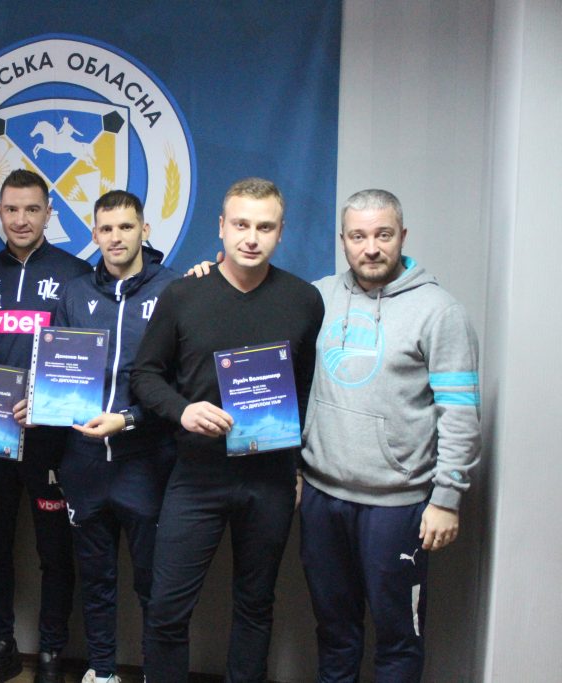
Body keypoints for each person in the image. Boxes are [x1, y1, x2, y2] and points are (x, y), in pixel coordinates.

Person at [130, 178, 324, 683]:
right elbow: (144, 375)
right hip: (197, 475)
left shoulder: (304, 300)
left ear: (281, 231)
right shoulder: (183, 295)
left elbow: (304, 387)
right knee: (166, 609)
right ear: (221, 226)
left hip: (270, 478)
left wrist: (297, 466)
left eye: (265, 227)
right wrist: (182, 411)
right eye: (241, 224)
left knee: (256, 605)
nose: (251, 238)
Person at [299, 189, 481, 682]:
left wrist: (446, 499)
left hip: (397, 506)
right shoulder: (319, 297)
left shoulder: (439, 311)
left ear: (402, 236)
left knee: (399, 638)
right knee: (334, 631)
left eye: (383, 234)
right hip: (321, 496)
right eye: (358, 236)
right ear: (343, 240)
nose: (371, 247)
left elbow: (460, 414)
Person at [0, 169, 92, 683]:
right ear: (0, 212)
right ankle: (1, 645)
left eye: (32, 209)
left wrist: (47, 403)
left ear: (48, 213)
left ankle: (51, 653)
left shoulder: (78, 274)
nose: (21, 219)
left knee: (54, 552)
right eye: (12, 209)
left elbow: (87, 360)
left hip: (51, 443)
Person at [55, 191, 178, 683]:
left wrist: (128, 420)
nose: (116, 237)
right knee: (96, 580)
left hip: (146, 461)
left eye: (126, 227)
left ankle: (154, 673)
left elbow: (180, 386)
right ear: (94, 234)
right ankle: (102, 671)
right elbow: (57, 372)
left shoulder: (173, 289)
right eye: (106, 229)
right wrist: (40, 403)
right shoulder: (75, 293)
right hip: (84, 463)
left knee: (152, 584)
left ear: (144, 230)